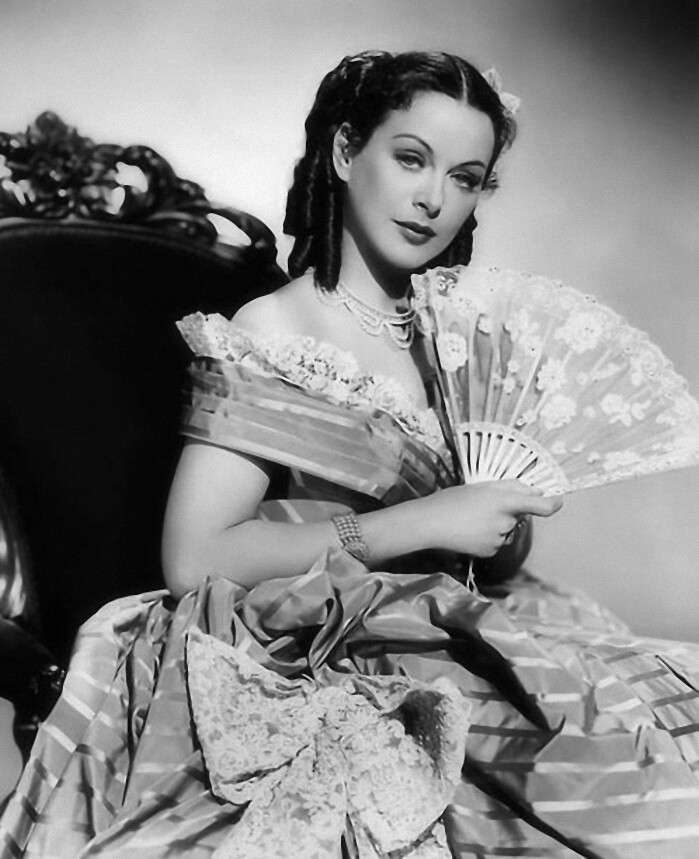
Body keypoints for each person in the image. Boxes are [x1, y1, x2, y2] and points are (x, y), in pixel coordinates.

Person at [3, 50, 699, 859]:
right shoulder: (275, 330)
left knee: (649, 745)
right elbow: (196, 558)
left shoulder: (459, 338)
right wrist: (426, 520)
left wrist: (501, 526)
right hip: (318, 643)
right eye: (410, 159)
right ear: (343, 151)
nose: (433, 198)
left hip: (458, 624)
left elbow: (487, 551)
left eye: (465, 178)